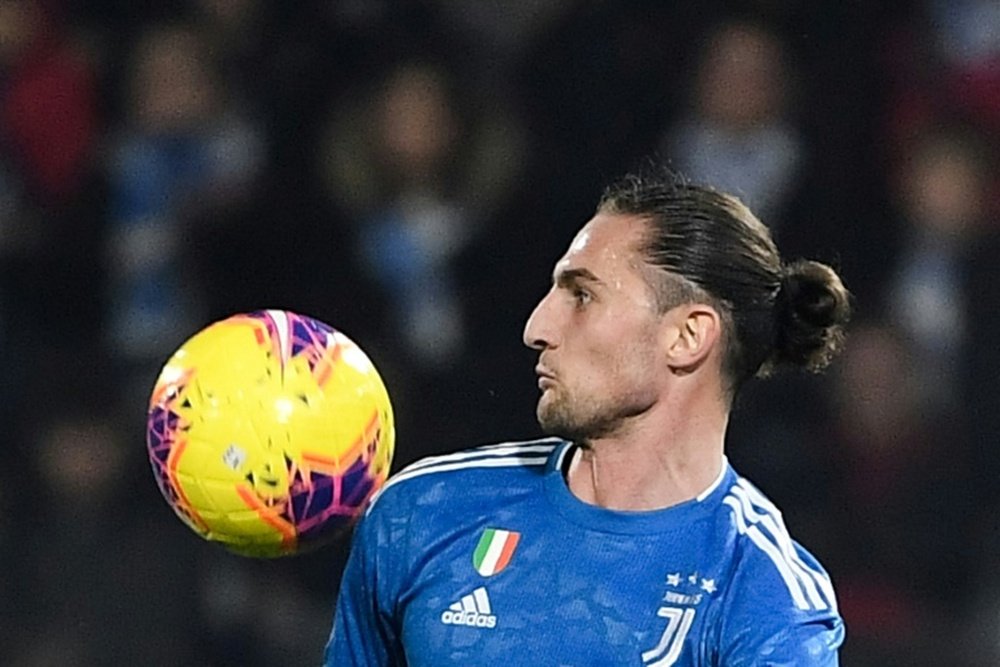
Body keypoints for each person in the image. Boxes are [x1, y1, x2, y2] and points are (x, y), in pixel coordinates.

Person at [324, 167, 850, 665]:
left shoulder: (763, 599)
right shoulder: (421, 513)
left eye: (581, 295)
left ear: (687, 336)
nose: (536, 326)